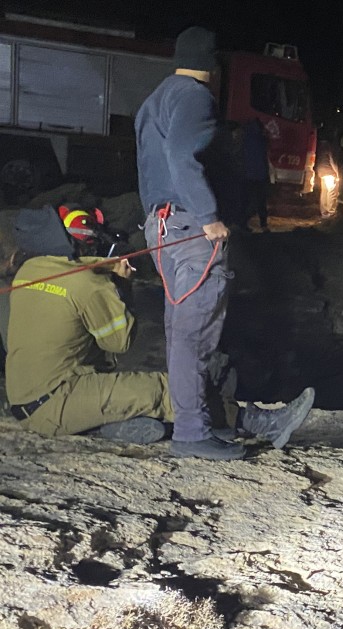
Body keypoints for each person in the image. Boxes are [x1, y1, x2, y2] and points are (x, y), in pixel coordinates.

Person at [135, 26, 314, 460]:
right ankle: (193, 434)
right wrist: (209, 217)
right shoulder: (194, 97)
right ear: (214, 66)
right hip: (190, 229)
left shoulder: (155, 98)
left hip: (162, 228)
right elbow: (183, 156)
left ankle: (200, 424)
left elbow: (155, 162)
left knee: (181, 331)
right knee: (194, 334)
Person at [4, 203, 314, 454]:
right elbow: (119, 342)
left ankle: (104, 426)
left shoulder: (28, 272)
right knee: (168, 389)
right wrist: (122, 286)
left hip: (25, 400)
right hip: (56, 402)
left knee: (122, 384)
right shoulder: (88, 284)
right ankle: (260, 423)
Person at [241, 118, 270, 230]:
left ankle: (244, 224)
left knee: (248, 201)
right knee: (261, 201)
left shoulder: (245, 138)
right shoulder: (261, 140)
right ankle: (264, 225)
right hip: (260, 175)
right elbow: (264, 158)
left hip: (248, 175)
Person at [316, 125, 341, 218]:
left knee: (324, 191)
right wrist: (338, 174)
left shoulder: (319, 147)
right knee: (332, 192)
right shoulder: (329, 147)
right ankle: (331, 212)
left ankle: (324, 212)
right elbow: (332, 161)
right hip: (329, 171)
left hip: (321, 171)